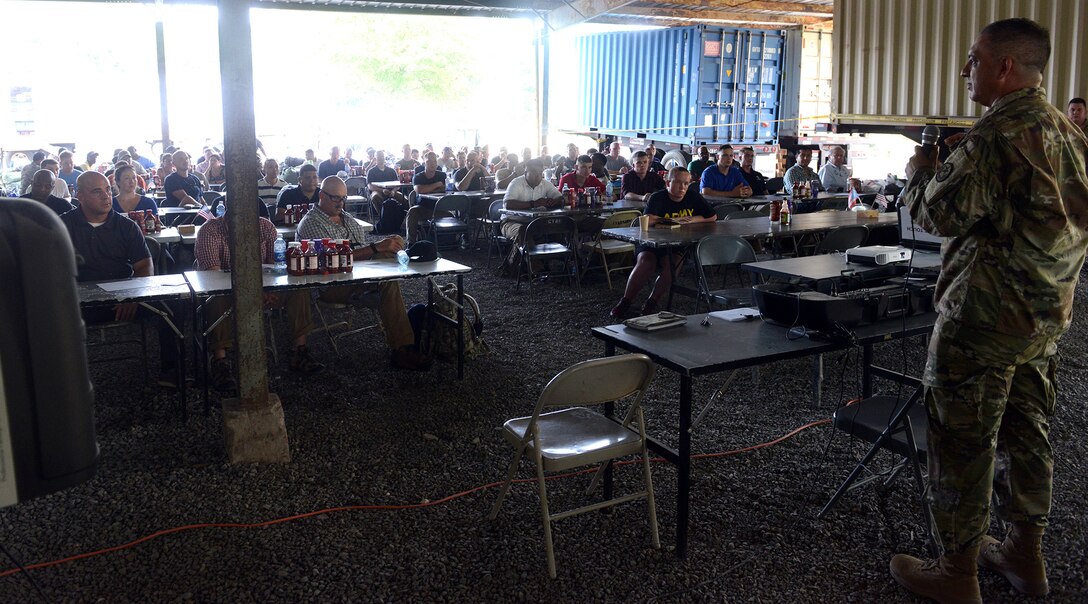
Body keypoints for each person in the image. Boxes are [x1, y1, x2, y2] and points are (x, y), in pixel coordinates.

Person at [889, 18, 1088, 604]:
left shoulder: (995, 135)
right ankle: (1025, 555)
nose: (964, 70)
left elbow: (939, 216)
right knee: (1029, 436)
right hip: (1044, 319)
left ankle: (957, 572)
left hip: (982, 323)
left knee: (963, 442)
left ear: (1004, 67)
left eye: (973, 59)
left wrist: (920, 173)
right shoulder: (1068, 133)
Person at [295, 176, 431, 371]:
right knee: (387, 281)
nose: (341, 203)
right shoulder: (311, 223)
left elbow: (362, 251)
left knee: (391, 254)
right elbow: (333, 260)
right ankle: (402, 348)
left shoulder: (347, 218)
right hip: (332, 284)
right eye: (336, 198)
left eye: (344, 198)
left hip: (357, 275)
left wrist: (388, 246)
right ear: (322, 196)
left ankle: (404, 344)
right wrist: (376, 248)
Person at [60, 171, 180, 387]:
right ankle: (60, 381)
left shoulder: (126, 226)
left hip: (125, 297)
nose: (106, 196)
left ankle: (170, 369)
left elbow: (144, 265)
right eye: (97, 191)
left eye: (107, 189)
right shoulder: (62, 227)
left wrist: (132, 296)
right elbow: (52, 270)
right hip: (80, 301)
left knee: (170, 308)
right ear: (80, 196)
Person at [195, 192, 322, 391]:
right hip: (226, 291)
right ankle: (220, 361)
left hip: (263, 287)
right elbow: (213, 276)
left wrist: (267, 289)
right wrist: (251, 292)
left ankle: (299, 350)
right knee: (216, 299)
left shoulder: (266, 227)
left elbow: (275, 266)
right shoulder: (210, 230)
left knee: (298, 289)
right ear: (226, 205)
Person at [610, 167, 715, 318]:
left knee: (672, 265)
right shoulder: (658, 197)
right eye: (678, 183)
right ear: (667, 182)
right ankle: (625, 301)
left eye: (686, 183)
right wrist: (668, 220)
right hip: (651, 242)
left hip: (676, 244)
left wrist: (694, 219)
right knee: (646, 262)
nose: (682, 187)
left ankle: (651, 303)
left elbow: (712, 216)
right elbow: (647, 219)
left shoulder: (693, 196)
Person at [499, 158, 564, 246]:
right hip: (511, 221)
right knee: (523, 232)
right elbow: (508, 204)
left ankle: (558, 258)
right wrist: (534, 203)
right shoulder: (516, 183)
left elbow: (561, 198)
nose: (537, 175)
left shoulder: (545, 184)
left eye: (540, 172)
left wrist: (554, 201)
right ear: (525, 173)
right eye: (534, 172)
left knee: (561, 227)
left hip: (536, 221)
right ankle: (531, 259)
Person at [405, 152, 447, 245]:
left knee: (456, 215)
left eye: (434, 161)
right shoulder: (418, 177)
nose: (432, 164)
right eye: (429, 161)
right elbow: (419, 190)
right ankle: (411, 243)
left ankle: (454, 242)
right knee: (412, 212)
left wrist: (429, 189)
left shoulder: (442, 175)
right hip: (423, 208)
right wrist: (436, 185)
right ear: (424, 163)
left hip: (440, 209)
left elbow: (447, 188)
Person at [365, 150, 406, 215]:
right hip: (378, 191)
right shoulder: (371, 171)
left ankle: (401, 217)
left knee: (404, 198)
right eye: (379, 157)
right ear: (375, 158)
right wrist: (382, 190)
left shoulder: (391, 170)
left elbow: (398, 184)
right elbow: (370, 186)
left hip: (392, 191)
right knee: (375, 197)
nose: (381, 158)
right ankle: (383, 217)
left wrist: (393, 191)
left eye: (382, 156)